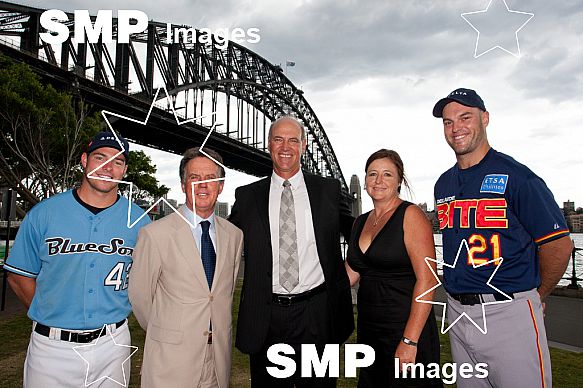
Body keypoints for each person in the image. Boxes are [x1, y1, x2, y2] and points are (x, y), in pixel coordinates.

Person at [432, 88, 574, 388]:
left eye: (465, 117)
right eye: (447, 121)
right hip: (458, 312)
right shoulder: (443, 183)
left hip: (507, 311)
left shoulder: (519, 177)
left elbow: (559, 245)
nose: (456, 127)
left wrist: (538, 294)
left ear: (485, 119)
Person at [4, 131, 150, 387]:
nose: (108, 167)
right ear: (84, 160)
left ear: (124, 170)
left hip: (113, 344)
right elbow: (19, 276)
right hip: (51, 349)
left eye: (117, 162)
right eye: (100, 157)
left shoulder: (139, 220)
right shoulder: (44, 213)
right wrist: (52, 313)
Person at [229, 116, 354, 387]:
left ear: (304, 145)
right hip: (266, 316)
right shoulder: (247, 196)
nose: (285, 147)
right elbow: (221, 243)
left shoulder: (328, 191)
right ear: (268, 144)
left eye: (293, 140)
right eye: (278, 139)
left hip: (317, 313)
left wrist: (350, 275)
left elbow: (360, 235)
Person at [129, 147, 243, 388]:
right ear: (183, 185)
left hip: (217, 362)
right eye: (194, 178)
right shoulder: (154, 234)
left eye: (210, 178)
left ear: (221, 185)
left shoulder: (234, 236)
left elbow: (223, 294)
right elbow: (141, 299)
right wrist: (170, 332)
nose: (203, 185)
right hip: (171, 362)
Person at [345, 149, 441, 387]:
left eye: (387, 174)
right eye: (372, 174)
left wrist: (409, 341)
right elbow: (349, 274)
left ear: (399, 181)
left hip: (405, 329)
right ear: (365, 181)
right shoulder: (360, 222)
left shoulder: (411, 215)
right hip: (370, 331)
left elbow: (428, 280)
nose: (378, 181)